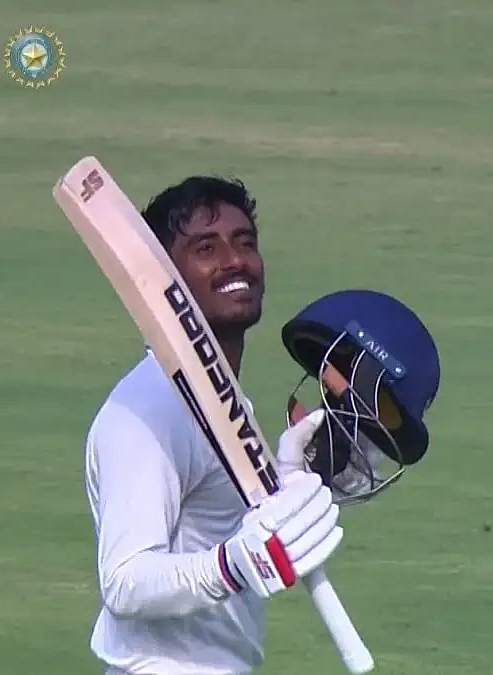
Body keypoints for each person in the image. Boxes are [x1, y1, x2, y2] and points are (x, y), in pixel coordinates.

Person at [81, 175, 343, 675]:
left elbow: (222, 525)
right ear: (160, 276)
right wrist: (230, 566)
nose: (234, 260)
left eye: (245, 243)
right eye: (206, 248)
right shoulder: (150, 408)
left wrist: (287, 477)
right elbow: (125, 581)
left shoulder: (223, 399)